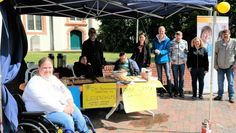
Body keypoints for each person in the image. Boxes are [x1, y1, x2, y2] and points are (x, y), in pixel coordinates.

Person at [22, 57, 89, 133]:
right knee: (67, 119)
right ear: (39, 68)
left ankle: (85, 131)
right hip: (42, 113)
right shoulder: (34, 82)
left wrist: (70, 103)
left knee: (76, 112)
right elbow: (44, 102)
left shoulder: (52, 78)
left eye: (50, 68)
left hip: (55, 109)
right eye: (44, 68)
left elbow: (65, 91)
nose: (48, 70)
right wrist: (63, 109)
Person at [214, 29, 236, 103]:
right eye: (224, 34)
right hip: (220, 67)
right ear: (222, 35)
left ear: (230, 34)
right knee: (220, 82)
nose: (225, 35)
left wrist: (235, 64)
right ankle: (220, 95)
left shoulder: (234, 42)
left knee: (231, 82)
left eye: (227, 34)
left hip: (230, 66)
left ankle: (231, 96)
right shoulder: (218, 43)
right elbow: (215, 54)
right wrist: (215, 65)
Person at [152, 26, 172, 97]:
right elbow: (152, 49)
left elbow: (168, 50)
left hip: (165, 60)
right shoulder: (154, 39)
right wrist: (154, 51)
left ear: (164, 31)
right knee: (159, 77)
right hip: (158, 60)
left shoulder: (168, 40)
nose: (161, 32)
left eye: (162, 31)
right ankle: (161, 92)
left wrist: (160, 52)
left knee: (168, 75)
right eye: (160, 31)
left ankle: (170, 91)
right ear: (158, 31)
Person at [170, 31, 188, 98]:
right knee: (175, 78)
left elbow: (186, 52)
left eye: (179, 35)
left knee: (182, 78)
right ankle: (176, 92)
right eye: (177, 35)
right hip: (174, 63)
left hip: (182, 63)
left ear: (181, 36)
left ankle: (181, 92)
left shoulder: (185, 42)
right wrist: (171, 60)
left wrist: (185, 59)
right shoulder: (172, 42)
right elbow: (170, 52)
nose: (178, 37)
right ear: (175, 36)